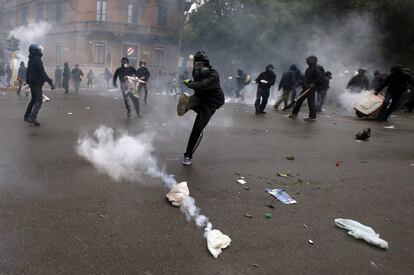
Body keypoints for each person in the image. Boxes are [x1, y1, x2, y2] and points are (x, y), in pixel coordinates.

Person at [177, 51, 225, 166]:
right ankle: (185, 107)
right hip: (199, 98)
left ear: (206, 64)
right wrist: (183, 78)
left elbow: (202, 85)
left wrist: (189, 83)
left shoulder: (214, 74)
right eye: (196, 64)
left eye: (200, 64)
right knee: (191, 100)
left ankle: (188, 155)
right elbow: (197, 88)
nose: (197, 67)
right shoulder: (196, 73)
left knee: (197, 129)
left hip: (210, 103)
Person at [24, 44, 54, 126]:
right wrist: (50, 81)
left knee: (33, 100)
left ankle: (26, 116)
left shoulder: (31, 59)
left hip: (32, 83)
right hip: (36, 83)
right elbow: (42, 72)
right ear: (35, 50)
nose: (40, 50)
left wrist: (28, 82)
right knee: (39, 101)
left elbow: (28, 72)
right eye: (38, 49)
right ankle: (32, 117)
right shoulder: (37, 59)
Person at [289, 55, 325, 122]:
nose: (306, 61)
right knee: (299, 101)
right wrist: (298, 84)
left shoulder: (316, 68)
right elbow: (305, 79)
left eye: (308, 60)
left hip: (311, 89)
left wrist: (313, 84)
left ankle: (312, 117)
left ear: (312, 60)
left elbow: (320, 78)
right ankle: (294, 114)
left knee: (310, 103)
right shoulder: (308, 69)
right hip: (305, 88)